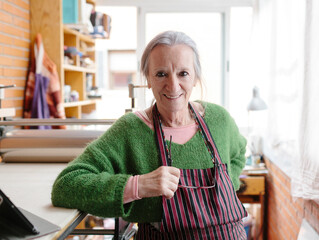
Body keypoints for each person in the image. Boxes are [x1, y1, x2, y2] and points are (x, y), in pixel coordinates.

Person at [51, 30, 248, 239]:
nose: (173, 86)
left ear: (195, 78)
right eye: (161, 74)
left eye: (183, 73)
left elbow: (239, 152)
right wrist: (139, 186)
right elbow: (66, 186)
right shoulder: (130, 130)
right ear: (148, 79)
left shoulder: (219, 120)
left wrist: (226, 185)